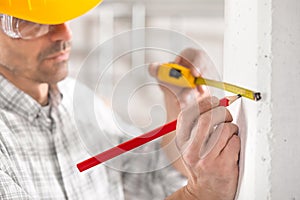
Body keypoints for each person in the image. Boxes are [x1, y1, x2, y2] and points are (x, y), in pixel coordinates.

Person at [0, 0, 241, 199]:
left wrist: (178, 110)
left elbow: (149, 180)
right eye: (30, 23)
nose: (64, 33)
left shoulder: (79, 99)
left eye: (62, 14)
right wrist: (200, 195)